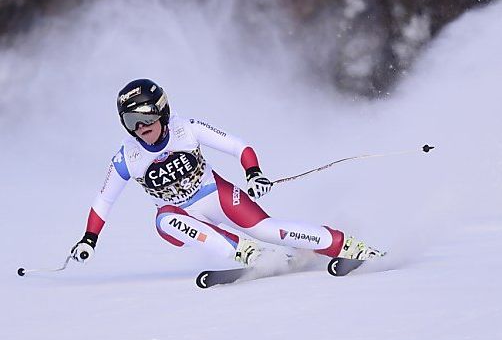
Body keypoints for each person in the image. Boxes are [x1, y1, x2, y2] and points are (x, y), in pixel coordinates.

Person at [70, 79, 383, 266]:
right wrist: (89, 239)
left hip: (216, 195)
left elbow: (238, 146)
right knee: (165, 219)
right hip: (181, 218)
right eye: (130, 121)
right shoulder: (128, 156)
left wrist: (254, 173)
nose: (140, 128)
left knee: (268, 230)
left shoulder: (186, 129)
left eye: (145, 117)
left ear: (162, 112)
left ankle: (345, 245)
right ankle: (246, 253)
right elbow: (104, 201)